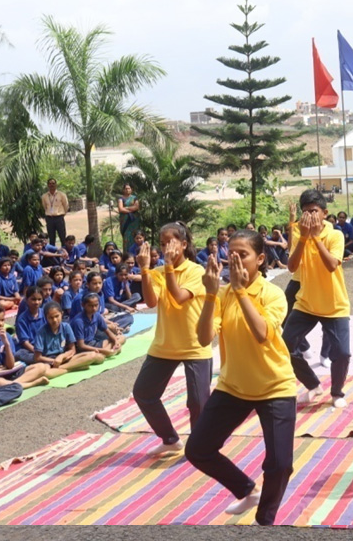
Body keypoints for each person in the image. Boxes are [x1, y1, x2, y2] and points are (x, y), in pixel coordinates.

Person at [187, 230, 296, 526]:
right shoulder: (222, 294)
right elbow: (202, 337)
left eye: (243, 255)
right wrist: (211, 294)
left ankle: (265, 520)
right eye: (230, 254)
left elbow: (261, 333)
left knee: (280, 465)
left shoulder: (272, 294)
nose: (234, 260)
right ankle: (246, 490)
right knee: (198, 450)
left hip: (275, 386)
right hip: (233, 387)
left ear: (261, 260)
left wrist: (240, 291)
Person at [133, 222, 211, 455]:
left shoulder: (196, 271)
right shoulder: (157, 272)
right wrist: (145, 270)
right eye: (163, 242)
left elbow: (178, 297)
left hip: (194, 345)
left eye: (171, 242)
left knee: (198, 402)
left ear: (184, 244)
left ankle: (199, 447)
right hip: (164, 345)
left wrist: (166, 267)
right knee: (144, 394)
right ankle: (170, 438)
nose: (166, 247)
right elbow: (150, 302)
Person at [283, 190, 351, 408]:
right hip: (306, 303)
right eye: (305, 212)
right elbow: (291, 266)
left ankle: (337, 393)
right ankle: (313, 384)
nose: (309, 216)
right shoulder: (298, 233)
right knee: (285, 346)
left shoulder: (335, 235)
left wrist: (315, 238)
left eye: (314, 211)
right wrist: (303, 237)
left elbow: (332, 265)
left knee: (342, 353)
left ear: (324, 213)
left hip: (334, 304)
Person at [0, 305, 50, 389]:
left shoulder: (6, 336)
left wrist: (6, 344)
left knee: (41, 367)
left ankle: (13, 384)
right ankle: (31, 383)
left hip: (7, 371)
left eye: (2, 320)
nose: (0, 323)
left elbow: (10, 365)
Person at [33, 301, 105, 377]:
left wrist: (62, 357)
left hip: (65, 358)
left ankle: (62, 368)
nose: (54, 320)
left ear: (62, 314)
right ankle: (72, 367)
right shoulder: (41, 332)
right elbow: (38, 358)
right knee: (45, 373)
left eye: (57, 316)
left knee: (94, 356)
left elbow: (72, 349)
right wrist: (54, 361)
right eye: (51, 318)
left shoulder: (66, 327)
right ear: (46, 318)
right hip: (49, 361)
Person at [70, 293, 123, 358]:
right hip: (85, 347)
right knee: (99, 358)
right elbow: (81, 346)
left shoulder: (97, 315)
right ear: (83, 305)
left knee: (121, 338)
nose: (94, 308)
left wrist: (115, 342)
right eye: (90, 306)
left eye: (96, 305)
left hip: (94, 343)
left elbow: (108, 332)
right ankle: (106, 351)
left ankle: (109, 350)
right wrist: (102, 350)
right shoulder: (78, 321)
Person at [14, 286, 46, 364]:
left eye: (39, 299)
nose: (37, 302)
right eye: (33, 299)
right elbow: (25, 343)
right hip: (31, 350)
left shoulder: (45, 313)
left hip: (45, 346)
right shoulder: (22, 319)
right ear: (26, 300)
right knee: (21, 354)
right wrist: (38, 352)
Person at [41, 178, 69, 247]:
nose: (52, 185)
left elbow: (66, 206)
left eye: (53, 183)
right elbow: (44, 207)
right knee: (51, 238)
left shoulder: (61, 195)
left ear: (56, 185)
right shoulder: (44, 196)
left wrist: (62, 214)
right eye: (50, 183)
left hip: (59, 218)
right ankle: (52, 255)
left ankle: (64, 253)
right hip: (49, 219)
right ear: (48, 185)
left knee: (62, 237)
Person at [118, 184, 141, 252]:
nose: (127, 190)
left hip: (133, 220)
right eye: (126, 188)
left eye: (129, 188)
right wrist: (130, 210)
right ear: (123, 190)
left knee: (134, 235)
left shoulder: (134, 198)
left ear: (131, 189)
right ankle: (126, 254)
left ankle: (135, 252)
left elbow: (136, 207)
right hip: (125, 221)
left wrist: (126, 208)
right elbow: (120, 209)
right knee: (126, 237)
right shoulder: (121, 199)